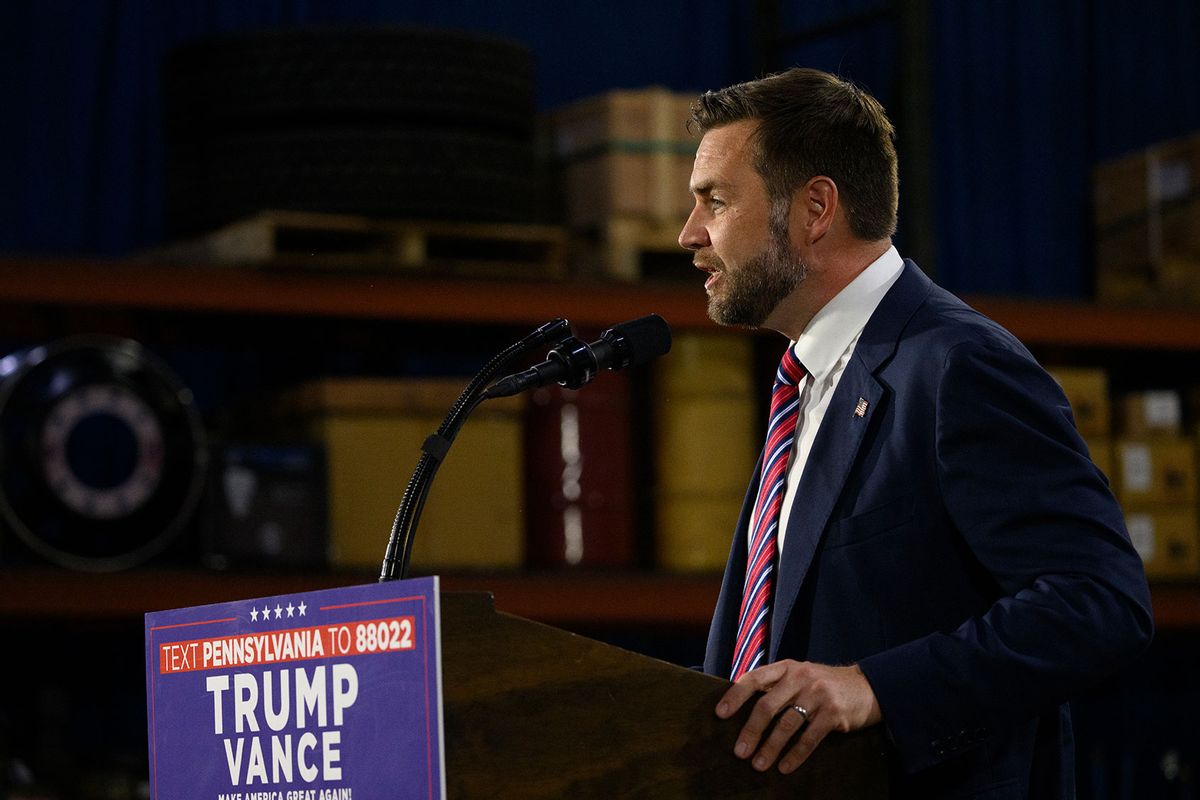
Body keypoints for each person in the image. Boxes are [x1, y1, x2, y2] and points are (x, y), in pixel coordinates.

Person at [678, 67, 1153, 798]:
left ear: (815, 208)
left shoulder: (960, 365)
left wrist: (875, 687)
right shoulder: (806, 385)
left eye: (715, 199)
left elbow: (1099, 603)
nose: (690, 234)